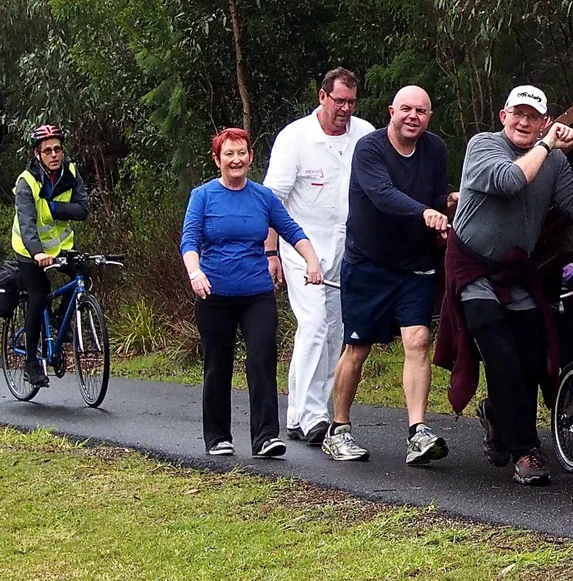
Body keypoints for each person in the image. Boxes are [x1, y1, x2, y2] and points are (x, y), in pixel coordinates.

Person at [434, 85, 573, 486]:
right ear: (503, 116)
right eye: (518, 114)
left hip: (516, 271)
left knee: (531, 359)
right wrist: (548, 144)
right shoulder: (483, 147)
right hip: (472, 266)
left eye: (534, 117)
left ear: (544, 119)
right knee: (500, 353)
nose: (525, 122)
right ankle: (526, 452)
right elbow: (511, 181)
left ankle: (496, 413)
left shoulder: (555, 161)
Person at [321, 85, 452, 466]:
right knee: (357, 349)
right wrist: (425, 212)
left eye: (422, 111)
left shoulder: (436, 149)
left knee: (418, 339)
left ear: (429, 116)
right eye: (407, 109)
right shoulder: (370, 148)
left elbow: (435, 196)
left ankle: (418, 431)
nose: (414, 117)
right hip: (368, 264)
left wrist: (448, 203)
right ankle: (339, 429)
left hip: (415, 264)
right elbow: (382, 194)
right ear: (392, 111)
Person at [181, 128, 324, 459]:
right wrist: (195, 272)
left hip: (256, 293)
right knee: (218, 364)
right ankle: (217, 436)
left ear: (250, 156)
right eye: (229, 154)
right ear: (217, 159)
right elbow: (189, 240)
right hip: (214, 293)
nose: (236, 160)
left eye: (241, 153)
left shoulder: (263, 197)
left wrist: (312, 261)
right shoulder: (202, 196)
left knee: (261, 357)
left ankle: (265, 437)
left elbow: (291, 230)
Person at [263, 67, 375, 445]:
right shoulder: (295, 138)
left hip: (347, 251)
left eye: (351, 102)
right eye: (338, 100)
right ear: (322, 96)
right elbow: (272, 201)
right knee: (313, 327)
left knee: (336, 333)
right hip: (300, 247)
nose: (344, 108)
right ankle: (310, 416)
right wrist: (269, 252)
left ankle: (304, 413)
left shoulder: (364, 133)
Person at [10, 124, 89, 388]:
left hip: (61, 246)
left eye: (57, 149)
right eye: (48, 151)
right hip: (29, 249)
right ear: (37, 154)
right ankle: (31, 362)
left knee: (83, 276)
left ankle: (58, 320)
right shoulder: (27, 182)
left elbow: (82, 210)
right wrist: (38, 253)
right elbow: (27, 224)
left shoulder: (71, 172)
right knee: (39, 294)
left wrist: (52, 207)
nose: (54, 154)